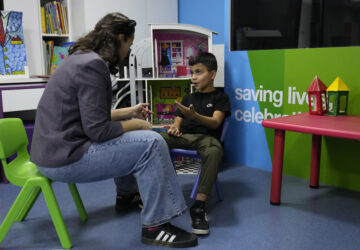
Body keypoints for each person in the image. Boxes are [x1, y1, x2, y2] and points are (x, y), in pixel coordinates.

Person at [30, 12, 197, 248]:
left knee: (131, 135)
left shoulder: (79, 58)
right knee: (151, 142)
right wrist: (138, 124)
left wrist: (129, 112)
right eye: (128, 44)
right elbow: (97, 130)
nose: (128, 51)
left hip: (52, 152)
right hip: (64, 159)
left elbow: (88, 115)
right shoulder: (93, 65)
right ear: (119, 38)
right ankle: (156, 225)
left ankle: (127, 194)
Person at [160, 52, 231, 235]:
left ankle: (198, 207)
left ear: (212, 74)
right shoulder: (188, 98)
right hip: (184, 137)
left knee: (215, 151)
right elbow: (177, 121)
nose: (193, 77)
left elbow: (216, 123)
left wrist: (195, 116)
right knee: (153, 139)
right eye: (192, 72)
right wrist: (174, 129)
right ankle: (154, 194)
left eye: (198, 72)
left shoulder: (220, 98)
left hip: (207, 139)